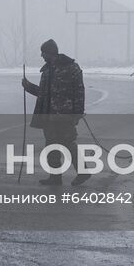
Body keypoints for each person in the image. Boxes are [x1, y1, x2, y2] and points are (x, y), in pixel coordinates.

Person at [22, 38, 88, 187]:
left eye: (43, 53)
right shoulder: (47, 71)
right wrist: (28, 86)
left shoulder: (72, 68)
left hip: (65, 115)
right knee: (51, 145)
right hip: (49, 116)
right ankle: (55, 177)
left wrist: (78, 113)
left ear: (50, 53)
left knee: (68, 143)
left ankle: (83, 171)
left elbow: (79, 91)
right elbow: (43, 93)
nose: (41, 56)